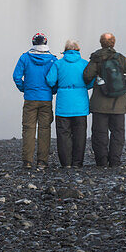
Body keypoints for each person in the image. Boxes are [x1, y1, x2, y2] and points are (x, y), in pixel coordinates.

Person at [83, 32, 126, 168]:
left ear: (101, 43)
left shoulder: (96, 58)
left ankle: (101, 162)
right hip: (118, 105)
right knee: (118, 133)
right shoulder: (122, 59)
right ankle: (115, 162)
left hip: (99, 104)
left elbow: (87, 76)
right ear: (113, 43)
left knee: (99, 134)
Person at [13, 32, 57, 169]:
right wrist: (52, 91)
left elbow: (16, 76)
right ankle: (42, 161)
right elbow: (55, 79)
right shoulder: (52, 59)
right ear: (45, 42)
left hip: (30, 99)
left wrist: (24, 89)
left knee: (28, 129)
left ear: (33, 43)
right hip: (46, 99)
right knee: (45, 129)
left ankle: (27, 161)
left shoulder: (25, 58)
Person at [45, 40, 92, 168]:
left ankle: (66, 163)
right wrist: (82, 87)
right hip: (80, 105)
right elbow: (91, 81)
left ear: (65, 50)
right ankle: (77, 163)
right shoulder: (84, 64)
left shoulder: (58, 64)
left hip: (63, 106)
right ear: (78, 50)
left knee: (63, 134)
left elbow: (50, 81)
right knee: (80, 134)